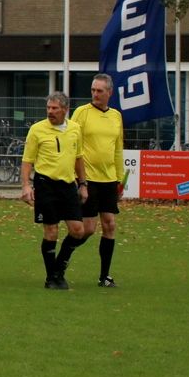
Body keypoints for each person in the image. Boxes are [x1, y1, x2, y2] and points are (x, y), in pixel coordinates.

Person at [20, 91, 88, 290]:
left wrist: (83, 184)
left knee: (78, 230)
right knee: (51, 231)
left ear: (65, 110)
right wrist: (25, 185)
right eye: (48, 108)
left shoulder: (75, 129)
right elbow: (27, 161)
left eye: (55, 108)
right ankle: (52, 278)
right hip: (45, 184)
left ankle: (58, 269)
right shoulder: (37, 130)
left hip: (68, 186)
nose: (50, 112)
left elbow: (79, 157)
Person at [71, 73, 125, 287]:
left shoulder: (116, 116)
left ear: (109, 92)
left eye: (99, 91)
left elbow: (118, 149)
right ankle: (64, 255)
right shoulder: (81, 113)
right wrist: (76, 178)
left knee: (110, 225)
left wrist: (120, 179)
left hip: (109, 179)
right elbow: (71, 144)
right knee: (88, 229)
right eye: (93, 90)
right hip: (88, 178)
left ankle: (104, 276)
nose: (95, 94)